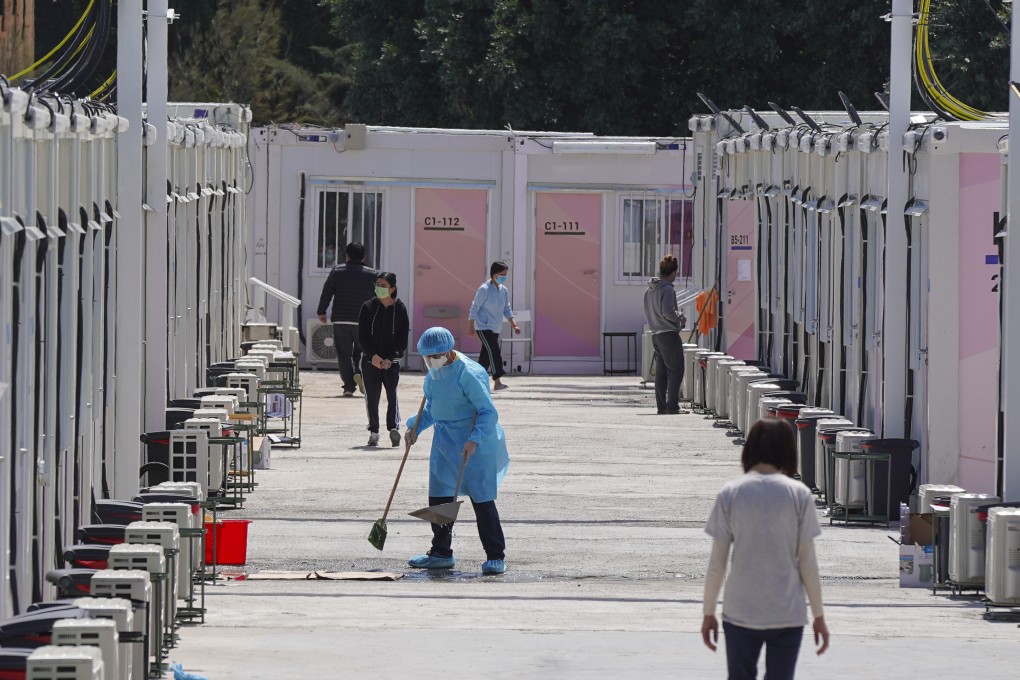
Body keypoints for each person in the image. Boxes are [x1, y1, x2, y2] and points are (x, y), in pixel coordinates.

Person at [701, 418, 830, 680]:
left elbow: (717, 564)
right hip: (786, 612)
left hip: (740, 612)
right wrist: (818, 615)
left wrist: (708, 612)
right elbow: (808, 563)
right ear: (788, 451)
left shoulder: (731, 493)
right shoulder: (799, 495)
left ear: (749, 450)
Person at [404, 326, 511, 575]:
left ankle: (495, 555)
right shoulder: (433, 373)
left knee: (481, 499)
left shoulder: (469, 373)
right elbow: (433, 408)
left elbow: (487, 411)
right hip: (445, 441)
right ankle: (441, 552)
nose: (432, 361)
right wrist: (415, 427)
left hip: (474, 440)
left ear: (449, 350)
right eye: (428, 357)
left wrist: (474, 439)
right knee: (440, 498)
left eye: (436, 355)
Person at [316, 242, 380, 397]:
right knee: (363, 352)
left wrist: (322, 311)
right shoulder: (373, 274)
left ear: (347, 255)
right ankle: (360, 374)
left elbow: (327, 292)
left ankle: (349, 387)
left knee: (344, 354)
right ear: (364, 256)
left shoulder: (337, 271)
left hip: (341, 319)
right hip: (363, 321)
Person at [358, 272, 409, 447]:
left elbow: (402, 338)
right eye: (377, 284)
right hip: (370, 360)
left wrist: (391, 357)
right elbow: (362, 337)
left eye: (383, 285)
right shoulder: (367, 307)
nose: (379, 288)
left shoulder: (400, 309)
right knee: (371, 396)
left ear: (392, 289)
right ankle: (374, 431)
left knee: (391, 394)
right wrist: (373, 356)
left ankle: (394, 428)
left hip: (391, 362)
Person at [643, 254, 687, 414]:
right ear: (673, 273)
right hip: (669, 334)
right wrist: (681, 318)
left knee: (661, 373)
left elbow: (648, 312)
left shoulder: (649, 290)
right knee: (676, 370)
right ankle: (673, 406)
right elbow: (668, 312)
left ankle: (662, 407)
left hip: (656, 334)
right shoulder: (667, 289)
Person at [468, 261, 520, 391]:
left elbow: (507, 308)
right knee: (494, 351)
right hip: (483, 327)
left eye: (505, 274)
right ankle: (497, 381)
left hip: (495, 327)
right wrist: (470, 326)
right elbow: (475, 307)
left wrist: (514, 324)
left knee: (485, 357)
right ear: (493, 273)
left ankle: (475, 382)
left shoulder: (503, 290)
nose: (503, 277)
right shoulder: (484, 289)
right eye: (501, 274)